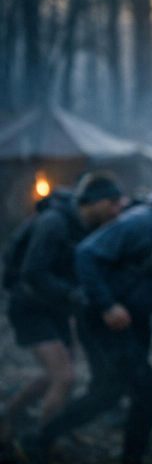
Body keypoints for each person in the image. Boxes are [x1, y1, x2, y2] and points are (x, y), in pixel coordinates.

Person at [19, 170, 152, 464]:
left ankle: (38, 440)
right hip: (103, 319)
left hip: (136, 320)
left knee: (109, 393)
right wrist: (107, 304)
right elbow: (86, 253)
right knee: (148, 396)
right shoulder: (143, 223)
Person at [1, 173, 123, 438]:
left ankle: (9, 414)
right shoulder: (54, 223)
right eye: (112, 203)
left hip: (55, 308)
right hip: (30, 306)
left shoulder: (89, 228)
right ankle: (42, 443)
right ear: (94, 202)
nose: (117, 210)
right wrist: (72, 294)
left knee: (53, 376)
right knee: (64, 377)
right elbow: (32, 273)